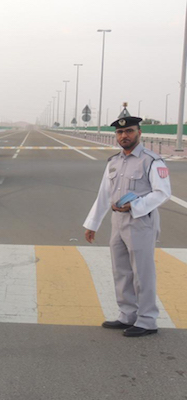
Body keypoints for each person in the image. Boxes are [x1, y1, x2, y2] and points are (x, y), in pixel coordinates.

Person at [83, 116, 171, 337]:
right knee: (121, 270)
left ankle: (147, 320)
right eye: (120, 133)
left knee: (142, 272)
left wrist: (136, 205)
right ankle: (127, 314)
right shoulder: (113, 162)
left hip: (141, 221)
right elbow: (104, 195)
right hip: (117, 222)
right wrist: (93, 224)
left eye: (129, 131)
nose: (124, 136)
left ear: (139, 133)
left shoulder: (152, 160)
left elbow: (162, 192)